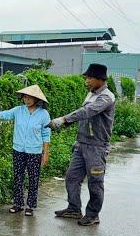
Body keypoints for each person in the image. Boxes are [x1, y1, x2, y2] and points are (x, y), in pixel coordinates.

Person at [47, 63, 115, 226]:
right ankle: (74, 209)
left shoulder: (106, 97)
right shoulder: (91, 94)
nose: (86, 81)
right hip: (81, 144)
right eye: (86, 78)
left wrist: (63, 119)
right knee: (72, 177)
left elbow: (87, 112)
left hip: (97, 147)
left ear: (100, 79)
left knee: (95, 182)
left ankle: (92, 215)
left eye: (89, 78)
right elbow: (83, 115)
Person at [0, 85, 51, 216]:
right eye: (25, 97)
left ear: (36, 99)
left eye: (29, 97)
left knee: (33, 178)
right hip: (18, 150)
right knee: (18, 177)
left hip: (35, 152)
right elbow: (2, 115)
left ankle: (30, 206)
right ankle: (18, 204)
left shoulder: (43, 114)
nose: (26, 100)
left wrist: (45, 154)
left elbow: (46, 135)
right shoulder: (18, 110)